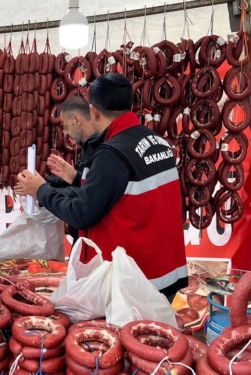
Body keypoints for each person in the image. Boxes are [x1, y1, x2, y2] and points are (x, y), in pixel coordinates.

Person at [15, 73, 188, 301]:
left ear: (93, 111)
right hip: (165, 274)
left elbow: (82, 214)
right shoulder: (158, 142)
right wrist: (77, 178)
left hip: (134, 284)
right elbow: (122, 191)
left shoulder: (111, 153)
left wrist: (40, 190)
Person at [44, 96, 101, 244]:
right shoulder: (89, 146)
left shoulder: (101, 150)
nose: (63, 132)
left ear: (76, 120)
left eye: (64, 125)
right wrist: (48, 182)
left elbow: (86, 195)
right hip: (84, 239)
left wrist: (41, 191)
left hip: (94, 241)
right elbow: (82, 182)